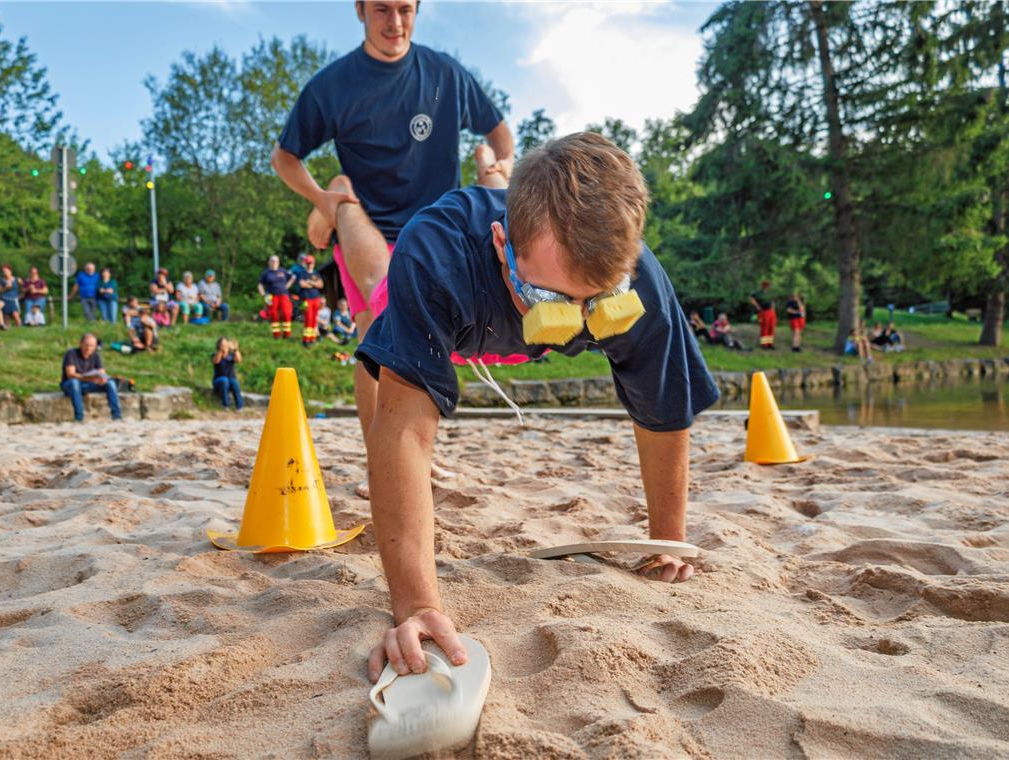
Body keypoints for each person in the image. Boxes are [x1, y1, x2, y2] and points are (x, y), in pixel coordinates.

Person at [352, 133, 719, 683]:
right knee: (371, 306)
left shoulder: (636, 277)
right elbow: (404, 429)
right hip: (443, 305)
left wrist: (664, 542)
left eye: (596, 299)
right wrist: (417, 605)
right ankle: (344, 200)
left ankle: (492, 171)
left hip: (510, 267)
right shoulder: (437, 253)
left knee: (514, 198)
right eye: (554, 300)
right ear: (503, 246)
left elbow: (662, 410)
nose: (578, 319)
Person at [271, 0, 515, 439]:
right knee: (379, 331)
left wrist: (497, 165)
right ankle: (379, 454)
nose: (395, 23)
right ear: (360, 10)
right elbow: (284, 157)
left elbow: (499, 133)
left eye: (405, 9)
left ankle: (414, 453)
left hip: (437, 231)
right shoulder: (334, 84)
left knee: (426, 340)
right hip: (367, 225)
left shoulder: (446, 75)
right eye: (382, 9)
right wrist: (323, 200)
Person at [60, 333, 122, 421]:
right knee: (74, 383)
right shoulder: (71, 353)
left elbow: (101, 372)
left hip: (89, 383)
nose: (88, 348)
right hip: (71, 384)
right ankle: (79, 416)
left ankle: (117, 415)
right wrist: (87, 378)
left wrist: (102, 379)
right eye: (86, 345)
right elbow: (70, 374)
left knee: (110, 383)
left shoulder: (96, 355)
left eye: (92, 346)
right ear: (80, 344)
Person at [257, 255, 295, 339]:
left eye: (276, 261)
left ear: (278, 262)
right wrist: (262, 293)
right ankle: (276, 335)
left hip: (283, 295)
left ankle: (287, 334)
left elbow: (292, 277)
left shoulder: (283, 271)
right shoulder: (266, 273)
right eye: (272, 261)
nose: (274, 263)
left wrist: (287, 286)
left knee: (286, 313)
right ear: (269, 262)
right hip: (270, 296)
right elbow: (260, 284)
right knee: (273, 314)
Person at [298, 255, 325, 346]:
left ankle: (312, 338)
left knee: (314, 319)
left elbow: (321, 285)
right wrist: (314, 284)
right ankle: (306, 340)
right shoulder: (302, 273)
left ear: (314, 263)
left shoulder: (316, 273)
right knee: (308, 318)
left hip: (316, 298)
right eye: (308, 263)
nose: (310, 265)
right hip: (306, 299)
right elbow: (302, 284)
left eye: (311, 263)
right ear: (306, 263)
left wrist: (310, 282)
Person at [212, 337, 244, 410]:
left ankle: (240, 406)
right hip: (218, 380)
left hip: (230, 379)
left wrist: (235, 349)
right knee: (224, 380)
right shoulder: (215, 354)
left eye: (226, 345)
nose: (225, 347)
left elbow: (239, 360)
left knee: (235, 382)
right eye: (223, 345)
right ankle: (226, 405)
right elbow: (217, 361)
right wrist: (221, 351)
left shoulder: (231, 355)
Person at [749, 280, 776, 350]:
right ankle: (764, 344)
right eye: (767, 285)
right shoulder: (758, 293)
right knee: (764, 327)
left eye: (769, 285)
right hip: (763, 312)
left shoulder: (770, 293)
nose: (768, 286)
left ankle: (770, 343)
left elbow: (772, 301)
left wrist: (773, 308)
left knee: (771, 327)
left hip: (771, 312)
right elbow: (751, 299)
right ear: (763, 286)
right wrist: (757, 306)